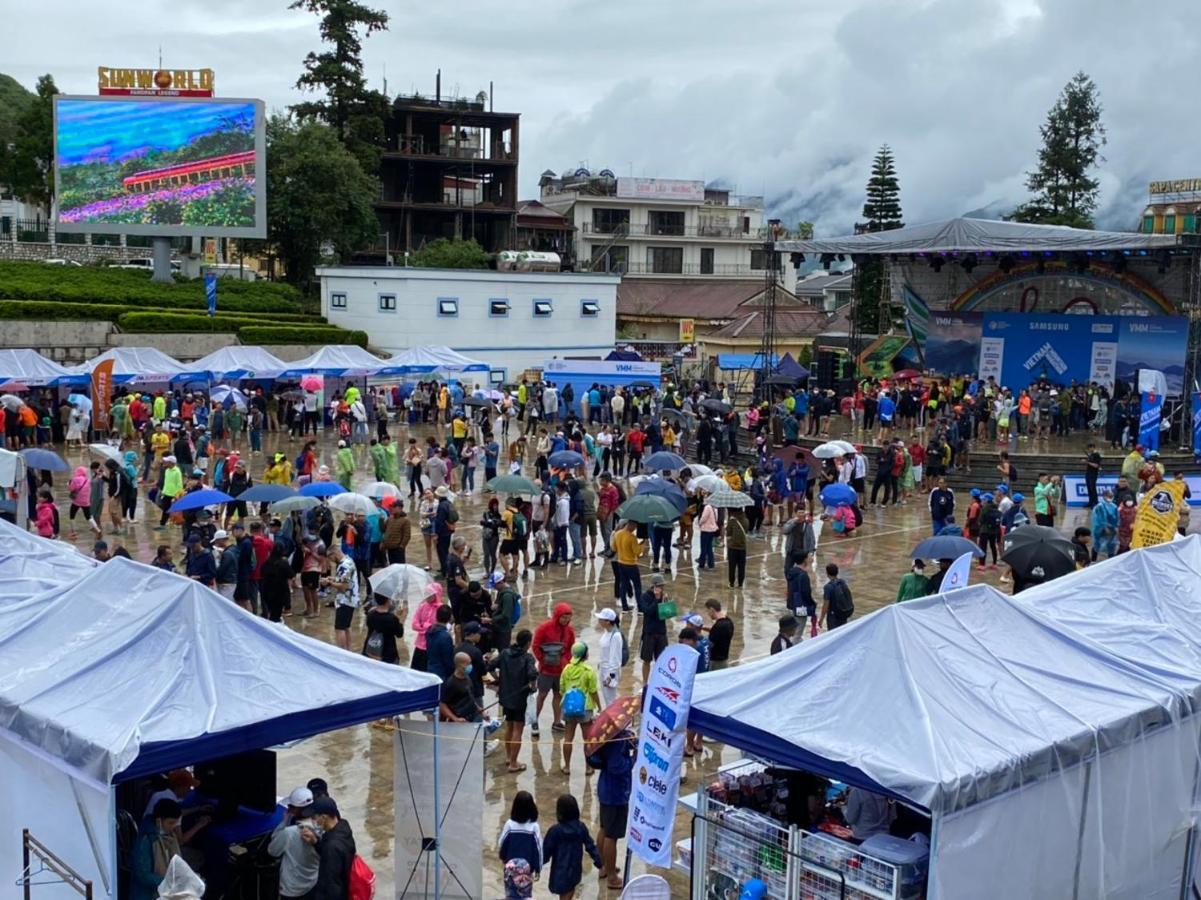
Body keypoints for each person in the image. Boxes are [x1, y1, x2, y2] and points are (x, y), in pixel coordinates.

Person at [587, 728, 635, 891]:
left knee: (604, 828)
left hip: (606, 789)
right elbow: (618, 766)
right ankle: (612, 877)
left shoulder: (609, 735)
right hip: (616, 793)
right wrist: (633, 758)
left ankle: (604, 867)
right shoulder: (616, 742)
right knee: (611, 835)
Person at [491, 629, 538, 773]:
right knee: (518, 729)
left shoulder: (505, 653)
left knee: (509, 727)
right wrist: (533, 685)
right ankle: (513, 763)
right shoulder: (528, 658)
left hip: (506, 697)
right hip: (520, 698)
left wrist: (498, 681)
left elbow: (490, 666)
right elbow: (532, 674)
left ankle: (508, 757)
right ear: (529, 642)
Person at [542, 794, 602, 900]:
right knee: (569, 891)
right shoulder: (580, 828)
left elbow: (545, 851)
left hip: (559, 871)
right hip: (574, 869)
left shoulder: (555, 831)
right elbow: (590, 846)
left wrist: (536, 865)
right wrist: (599, 861)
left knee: (564, 894)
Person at [531, 602, 575, 737]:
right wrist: (543, 660)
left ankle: (557, 722)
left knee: (558, 696)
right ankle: (534, 721)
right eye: (563, 617)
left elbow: (570, 648)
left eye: (568, 617)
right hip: (546, 671)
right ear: (557, 616)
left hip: (561, 671)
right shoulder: (544, 628)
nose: (566, 620)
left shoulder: (570, 630)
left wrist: (566, 662)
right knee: (542, 695)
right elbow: (536, 646)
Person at [268, 787, 321, 900]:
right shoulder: (322, 826)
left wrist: (284, 821)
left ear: (296, 809)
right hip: (313, 882)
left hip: (292, 889)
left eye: (290, 807)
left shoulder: (289, 833)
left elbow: (272, 851)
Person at [558, 642, 601, 774]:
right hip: (585, 708)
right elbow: (593, 691)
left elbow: (562, 689)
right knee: (587, 739)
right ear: (585, 654)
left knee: (568, 738)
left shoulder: (566, 669)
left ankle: (566, 766)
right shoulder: (589, 671)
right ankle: (588, 767)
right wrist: (599, 706)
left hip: (569, 708)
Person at [302, 796, 355, 900]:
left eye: (314, 817)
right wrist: (316, 842)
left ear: (324, 817)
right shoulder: (343, 828)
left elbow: (331, 885)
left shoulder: (332, 846)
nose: (313, 820)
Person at [498, 791, 543, 879]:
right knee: (525, 892)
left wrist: (503, 857)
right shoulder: (534, 827)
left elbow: (501, 843)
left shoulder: (509, 824)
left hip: (510, 868)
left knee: (510, 891)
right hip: (527, 870)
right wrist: (538, 868)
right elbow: (538, 849)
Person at [637, 574, 672, 682]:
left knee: (661, 660)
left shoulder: (663, 596)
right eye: (661, 586)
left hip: (661, 632)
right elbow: (647, 612)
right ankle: (645, 683)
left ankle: (659, 681)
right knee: (646, 660)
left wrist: (666, 603)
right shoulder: (644, 597)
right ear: (654, 586)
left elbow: (668, 614)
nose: (663, 588)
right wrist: (657, 600)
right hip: (649, 632)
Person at [409, 582, 444, 671]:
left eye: (430, 594)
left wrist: (423, 626)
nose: (427, 596)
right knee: (416, 670)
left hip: (433, 645)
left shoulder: (441, 609)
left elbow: (439, 628)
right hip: (420, 645)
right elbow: (414, 625)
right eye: (426, 593)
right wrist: (428, 627)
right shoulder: (422, 606)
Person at [439, 651, 481, 723]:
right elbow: (442, 704)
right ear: (459, 665)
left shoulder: (467, 677)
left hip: (471, 718)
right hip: (459, 722)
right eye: (467, 664)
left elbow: (470, 697)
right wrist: (455, 718)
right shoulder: (451, 683)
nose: (470, 666)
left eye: (470, 663)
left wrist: (480, 710)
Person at [611, 519, 643, 611]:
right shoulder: (631, 537)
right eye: (635, 526)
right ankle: (640, 607)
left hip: (621, 563)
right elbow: (637, 552)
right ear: (630, 525)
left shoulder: (617, 534)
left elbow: (613, 548)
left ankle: (624, 606)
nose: (635, 529)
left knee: (623, 585)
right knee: (637, 586)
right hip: (631, 564)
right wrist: (642, 544)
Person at [364, 592, 405, 663]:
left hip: (370, 651)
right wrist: (401, 619)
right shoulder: (392, 618)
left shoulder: (370, 614)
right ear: (388, 601)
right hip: (387, 655)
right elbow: (399, 634)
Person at [595, 609, 623, 709]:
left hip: (609, 673)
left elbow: (615, 659)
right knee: (607, 699)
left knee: (611, 701)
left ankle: (614, 722)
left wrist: (610, 676)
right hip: (603, 669)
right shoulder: (606, 632)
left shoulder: (616, 636)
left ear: (607, 621)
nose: (599, 620)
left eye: (601, 619)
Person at [260, 542, 294, 622]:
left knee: (271, 611)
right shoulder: (283, 563)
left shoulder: (266, 562)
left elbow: (262, 573)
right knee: (276, 615)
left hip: (267, 591)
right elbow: (291, 575)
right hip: (280, 592)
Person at [785, 552, 815, 637]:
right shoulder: (803, 575)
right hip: (800, 608)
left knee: (793, 632)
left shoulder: (791, 572)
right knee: (797, 634)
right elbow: (806, 593)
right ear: (804, 559)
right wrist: (812, 605)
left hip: (791, 605)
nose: (811, 558)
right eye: (809, 557)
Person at [426, 604, 457, 681]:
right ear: (450, 617)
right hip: (441, 674)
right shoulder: (445, 637)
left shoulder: (430, 630)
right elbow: (448, 659)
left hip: (430, 669)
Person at [820, 563, 854, 631]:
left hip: (833, 616)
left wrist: (821, 619)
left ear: (827, 574)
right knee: (842, 632)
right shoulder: (842, 582)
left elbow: (825, 605)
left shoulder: (828, 587)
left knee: (832, 634)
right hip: (843, 613)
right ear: (837, 572)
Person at [705, 599, 734, 670]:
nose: (708, 614)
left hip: (716, 662)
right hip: (724, 659)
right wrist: (704, 628)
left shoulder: (719, 626)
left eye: (707, 611)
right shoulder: (728, 621)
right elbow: (718, 633)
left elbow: (709, 644)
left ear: (712, 609)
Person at [1090, 489, 1119, 560]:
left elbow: (1117, 517)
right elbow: (1100, 518)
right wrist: (1105, 527)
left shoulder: (1114, 506)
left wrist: (1116, 526)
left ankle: (1111, 560)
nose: (1110, 497)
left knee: (1111, 544)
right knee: (1097, 544)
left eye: (1111, 496)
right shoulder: (1100, 506)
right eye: (1108, 496)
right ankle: (1093, 560)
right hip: (1100, 529)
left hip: (1111, 529)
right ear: (1104, 496)